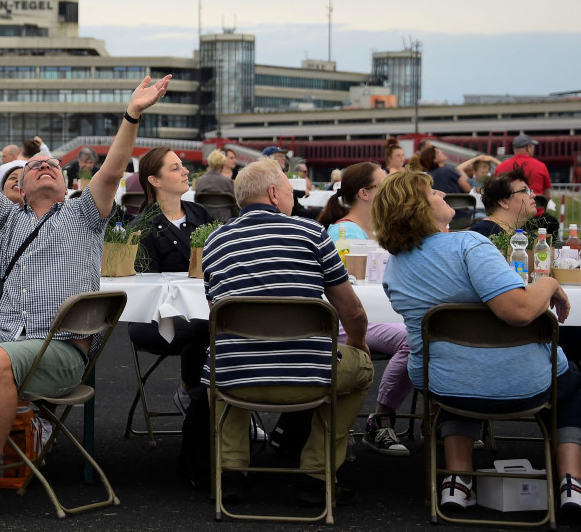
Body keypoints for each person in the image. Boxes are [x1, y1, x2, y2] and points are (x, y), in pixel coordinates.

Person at [0, 71, 171, 527]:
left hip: (62, 349)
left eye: (53, 165)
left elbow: (112, 168)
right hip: (5, 337)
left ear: (67, 184)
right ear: (20, 187)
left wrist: (132, 114)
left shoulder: (84, 214)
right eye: (34, 167)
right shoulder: (7, 221)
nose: (44, 166)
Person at [372, 170, 579, 514]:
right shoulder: (469, 243)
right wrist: (550, 284)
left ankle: (457, 479)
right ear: (418, 208)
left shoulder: (394, 267)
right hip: (523, 382)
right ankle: (571, 483)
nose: (441, 193)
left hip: (445, 385)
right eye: (432, 192)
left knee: (459, 368)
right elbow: (520, 309)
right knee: (570, 385)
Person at [201, 158, 373, 505]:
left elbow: (219, 312)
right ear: (274, 192)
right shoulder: (311, 233)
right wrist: (356, 344)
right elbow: (351, 310)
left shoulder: (214, 241)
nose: (294, 198)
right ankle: (316, 475)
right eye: (290, 191)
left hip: (237, 380)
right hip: (308, 378)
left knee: (228, 356)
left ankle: (230, 474)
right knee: (363, 367)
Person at [317, 161, 413, 456]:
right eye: (383, 186)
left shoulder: (372, 231)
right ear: (365, 193)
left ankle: (447, 422)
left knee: (427, 332)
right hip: (349, 321)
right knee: (416, 339)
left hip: (369, 316)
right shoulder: (342, 235)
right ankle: (381, 417)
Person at [127, 146, 215, 414]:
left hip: (206, 308)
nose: (185, 170)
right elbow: (148, 289)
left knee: (231, 322)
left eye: (182, 165)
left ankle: (232, 411)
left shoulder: (200, 214)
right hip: (155, 319)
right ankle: (192, 393)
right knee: (205, 325)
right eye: (175, 168)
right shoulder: (141, 227)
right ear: (154, 180)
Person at [468, 168, 536, 239]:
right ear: (504, 201)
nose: (533, 195)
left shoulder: (525, 234)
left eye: (530, 190)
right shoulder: (483, 234)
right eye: (525, 190)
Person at [193, 149, 235, 221]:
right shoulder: (228, 182)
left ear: (209, 163)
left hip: (205, 219)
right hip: (225, 220)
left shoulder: (200, 181)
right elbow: (234, 205)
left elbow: (197, 203)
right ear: (222, 165)